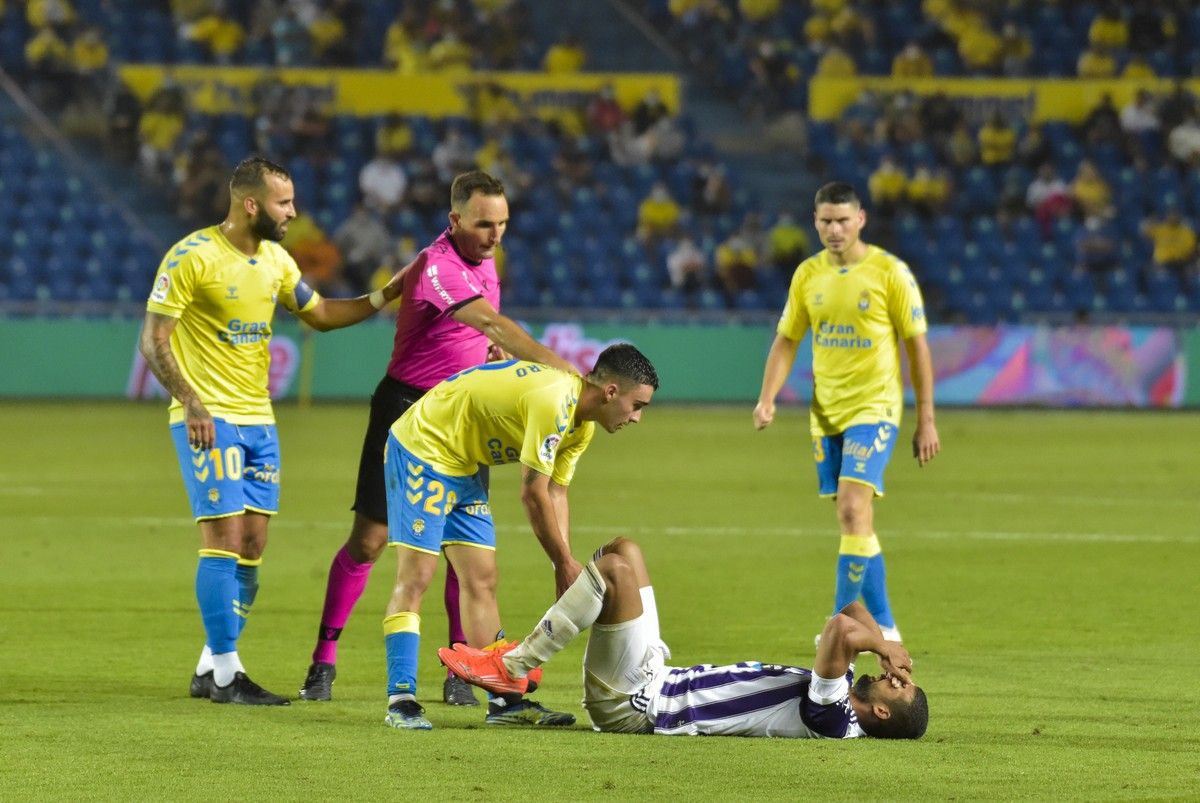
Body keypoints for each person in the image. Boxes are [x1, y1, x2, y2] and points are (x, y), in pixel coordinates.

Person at [299, 170, 578, 713]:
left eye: (502, 225)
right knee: (371, 543)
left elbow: (480, 335)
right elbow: (492, 323)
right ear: (454, 221)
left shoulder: (484, 259)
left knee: (469, 557)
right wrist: (563, 369)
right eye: (483, 225)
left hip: (461, 421)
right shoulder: (439, 265)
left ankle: (466, 674)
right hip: (406, 415)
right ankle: (323, 659)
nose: (495, 236)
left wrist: (487, 356)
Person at [138, 157, 407, 706]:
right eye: (285, 203)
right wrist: (191, 402)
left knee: (255, 543)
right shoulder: (192, 257)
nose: (294, 212)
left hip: (260, 420)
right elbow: (155, 339)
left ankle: (209, 665)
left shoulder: (276, 261)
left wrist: (386, 294)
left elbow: (322, 313)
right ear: (252, 203)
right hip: (210, 418)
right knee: (223, 538)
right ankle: (225, 674)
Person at [381, 345, 659, 730]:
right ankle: (401, 698)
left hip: (465, 464)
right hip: (423, 449)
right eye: (637, 404)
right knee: (416, 577)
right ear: (611, 392)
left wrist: (562, 564)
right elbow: (532, 493)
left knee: (482, 580)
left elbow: (556, 495)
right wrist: (564, 563)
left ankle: (504, 701)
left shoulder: (581, 430)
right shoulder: (555, 402)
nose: (638, 417)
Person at [440, 536, 927, 739]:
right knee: (623, 549)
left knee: (613, 570)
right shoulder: (842, 699)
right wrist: (883, 637)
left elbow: (842, 628)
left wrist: (882, 645)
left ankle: (512, 668)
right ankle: (526, 657)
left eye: (896, 685)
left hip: (638, 706)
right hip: (657, 677)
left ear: (881, 711)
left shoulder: (834, 720)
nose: (889, 675)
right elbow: (849, 607)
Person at [752, 182, 940, 646]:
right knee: (856, 521)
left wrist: (927, 419)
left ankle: (837, 622)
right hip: (827, 413)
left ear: (861, 220)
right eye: (825, 221)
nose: (834, 229)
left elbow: (917, 347)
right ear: (815, 222)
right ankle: (886, 624)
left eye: (842, 220)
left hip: (875, 406)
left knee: (853, 507)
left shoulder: (889, 272)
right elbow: (788, 339)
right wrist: (767, 397)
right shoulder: (807, 275)